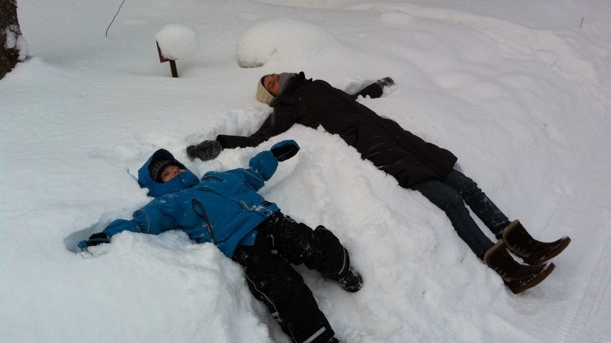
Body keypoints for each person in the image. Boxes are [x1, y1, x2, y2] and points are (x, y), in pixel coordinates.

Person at [186, 72, 571, 294]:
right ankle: (508, 271)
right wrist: (221, 142)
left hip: (400, 139)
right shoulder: (287, 107)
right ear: (272, 95)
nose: (274, 79)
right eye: (268, 84)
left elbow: (350, 97)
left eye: (272, 75)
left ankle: (526, 246)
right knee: (451, 201)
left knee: (467, 186)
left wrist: (375, 87)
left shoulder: (315, 84)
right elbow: (259, 136)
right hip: (379, 149)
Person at [79, 140, 362, 343]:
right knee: (283, 289)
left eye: (175, 168)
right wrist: (110, 233)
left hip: (269, 219)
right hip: (243, 244)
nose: (174, 173)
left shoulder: (218, 177)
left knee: (308, 243)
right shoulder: (171, 202)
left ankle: (341, 268)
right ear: (157, 187)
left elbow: (252, 175)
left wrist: (271, 157)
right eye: (165, 175)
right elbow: (142, 223)